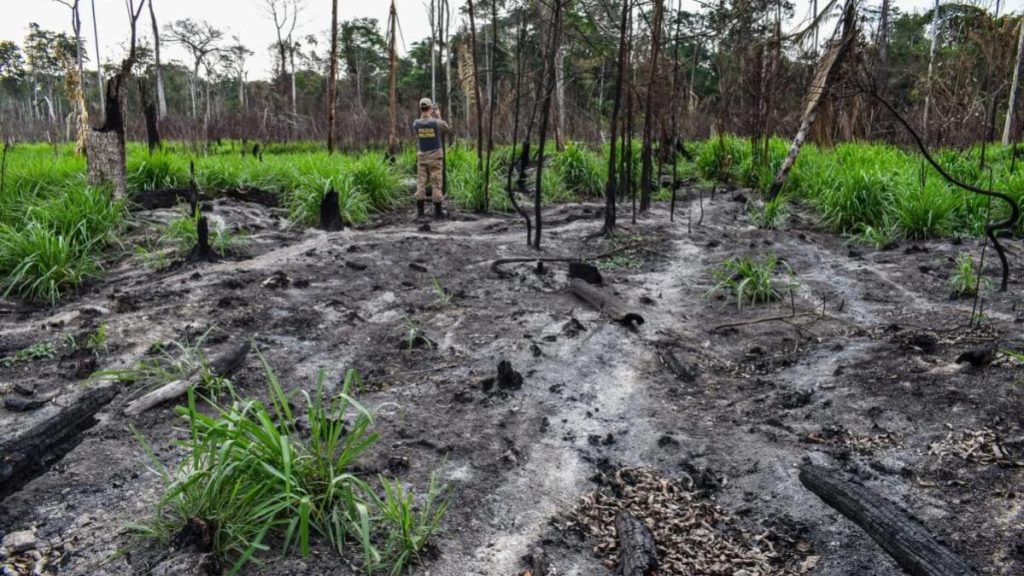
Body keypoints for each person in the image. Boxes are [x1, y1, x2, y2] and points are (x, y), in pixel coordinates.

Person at [413, 97, 450, 219]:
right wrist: (438, 115)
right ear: (430, 108)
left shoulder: (416, 123)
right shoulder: (436, 122)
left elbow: (421, 129)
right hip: (435, 157)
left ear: (420, 109)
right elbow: (446, 128)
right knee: (436, 182)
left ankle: (420, 212)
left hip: (422, 157)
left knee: (421, 183)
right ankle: (438, 212)